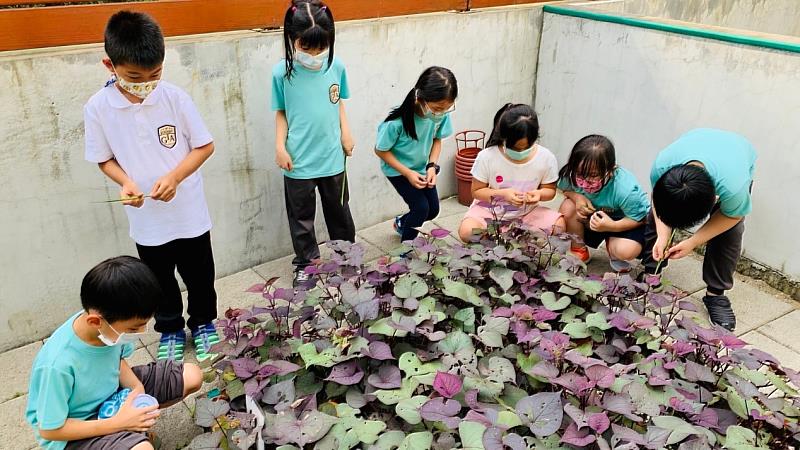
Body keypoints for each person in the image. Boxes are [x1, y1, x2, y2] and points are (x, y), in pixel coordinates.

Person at [84, 11, 219, 362]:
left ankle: (204, 323)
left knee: (200, 274)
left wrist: (175, 177)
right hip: (147, 220)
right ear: (109, 66)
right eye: (134, 76)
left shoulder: (174, 98)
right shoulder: (98, 109)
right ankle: (170, 327)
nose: (146, 82)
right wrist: (126, 181)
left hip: (188, 211)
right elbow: (103, 158)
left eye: (155, 74)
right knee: (158, 281)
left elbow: (204, 145)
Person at [26, 256, 203, 450]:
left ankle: (129, 433)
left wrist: (137, 389)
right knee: (142, 449)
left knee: (192, 375)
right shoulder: (57, 365)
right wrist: (118, 423)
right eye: (134, 329)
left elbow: (117, 360)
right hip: (75, 428)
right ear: (95, 321)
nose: (141, 333)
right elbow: (49, 430)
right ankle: (125, 436)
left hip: (112, 395)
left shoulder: (106, 327)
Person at [272, 0, 356, 287]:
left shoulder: (336, 67)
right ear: (291, 39)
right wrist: (280, 147)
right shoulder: (281, 74)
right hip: (298, 161)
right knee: (302, 219)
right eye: (306, 47)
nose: (315, 54)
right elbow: (281, 112)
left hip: (333, 157)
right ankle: (306, 264)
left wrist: (346, 132)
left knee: (340, 212)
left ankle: (346, 257)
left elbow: (338, 103)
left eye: (321, 47)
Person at [642, 128, 756, 331]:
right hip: (697, 139)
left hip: (736, 151)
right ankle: (652, 270)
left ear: (714, 200)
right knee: (657, 215)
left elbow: (732, 215)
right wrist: (662, 234)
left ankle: (716, 294)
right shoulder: (662, 166)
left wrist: (693, 241)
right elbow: (658, 201)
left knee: (729, 233)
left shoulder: (733, 187)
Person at [458, 103, 565, 241]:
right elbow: (477, 191)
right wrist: (502, 194)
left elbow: (550, 190)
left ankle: (506, 239)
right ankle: (509, 240)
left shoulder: (546, 158)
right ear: (503, 137)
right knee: (468, 231)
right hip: (489, 213)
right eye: (515, 148)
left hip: (526, 214)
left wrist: (538, 194)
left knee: (559, 226)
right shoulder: (487, 156)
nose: (520, 152)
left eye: (525, 148)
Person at [376, 66, 457, 241]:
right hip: (398, 170)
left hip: (422, 168)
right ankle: (406, 251)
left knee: (433, 210)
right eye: (437, 108)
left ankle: (402, 223)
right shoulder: (396, 121)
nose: (441, 112)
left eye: (446, 108)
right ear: (420, 98)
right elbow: (380, 150)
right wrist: (407, 173)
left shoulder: (441, 114)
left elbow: (437, 139)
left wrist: (431, 166)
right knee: (420, 208)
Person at [557, 135, 650, 272]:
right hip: (591, 217)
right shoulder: (570, 173)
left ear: (611, 171)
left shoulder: (626, 190)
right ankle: (579, 249)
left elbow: (640, 218)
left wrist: (612, 226)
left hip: (623, 222)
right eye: (580, 174)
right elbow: (563, 188)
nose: (585, 181)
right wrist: (576, 197)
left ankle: (614, 251)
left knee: (627, 250)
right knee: (567, 207)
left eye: (593, 175)